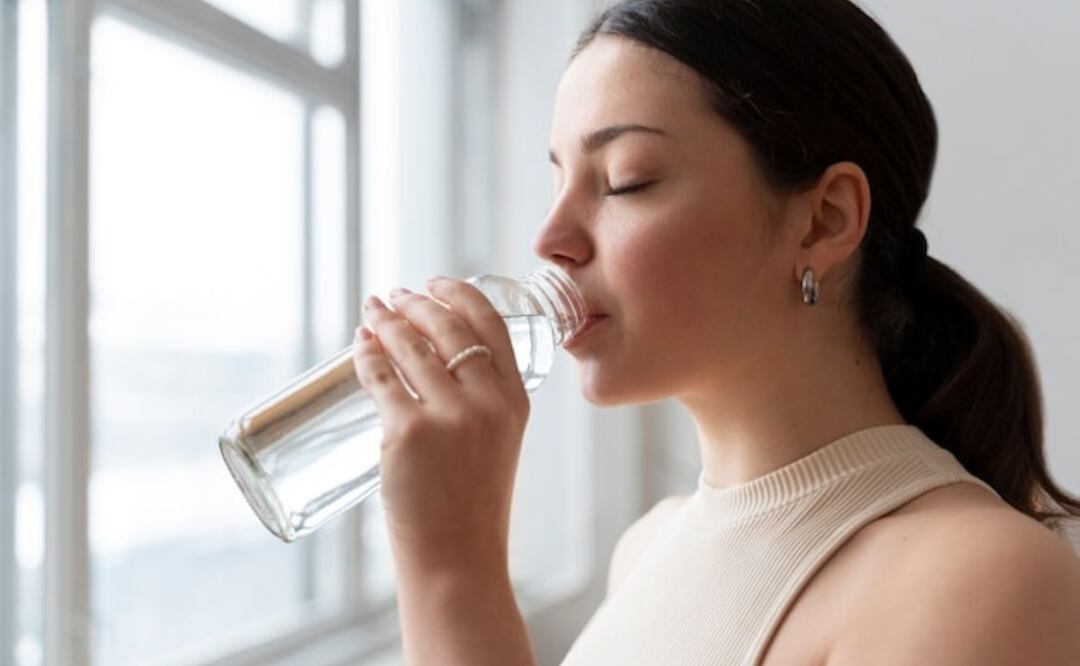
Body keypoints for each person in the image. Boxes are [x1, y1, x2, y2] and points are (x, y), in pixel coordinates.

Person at [350, 0, 1080, 663]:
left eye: (626, 179)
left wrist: (451, 570)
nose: (550, 238)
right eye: (557, 180)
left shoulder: (982, 577)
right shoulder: (646, 548)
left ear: (824, 220)